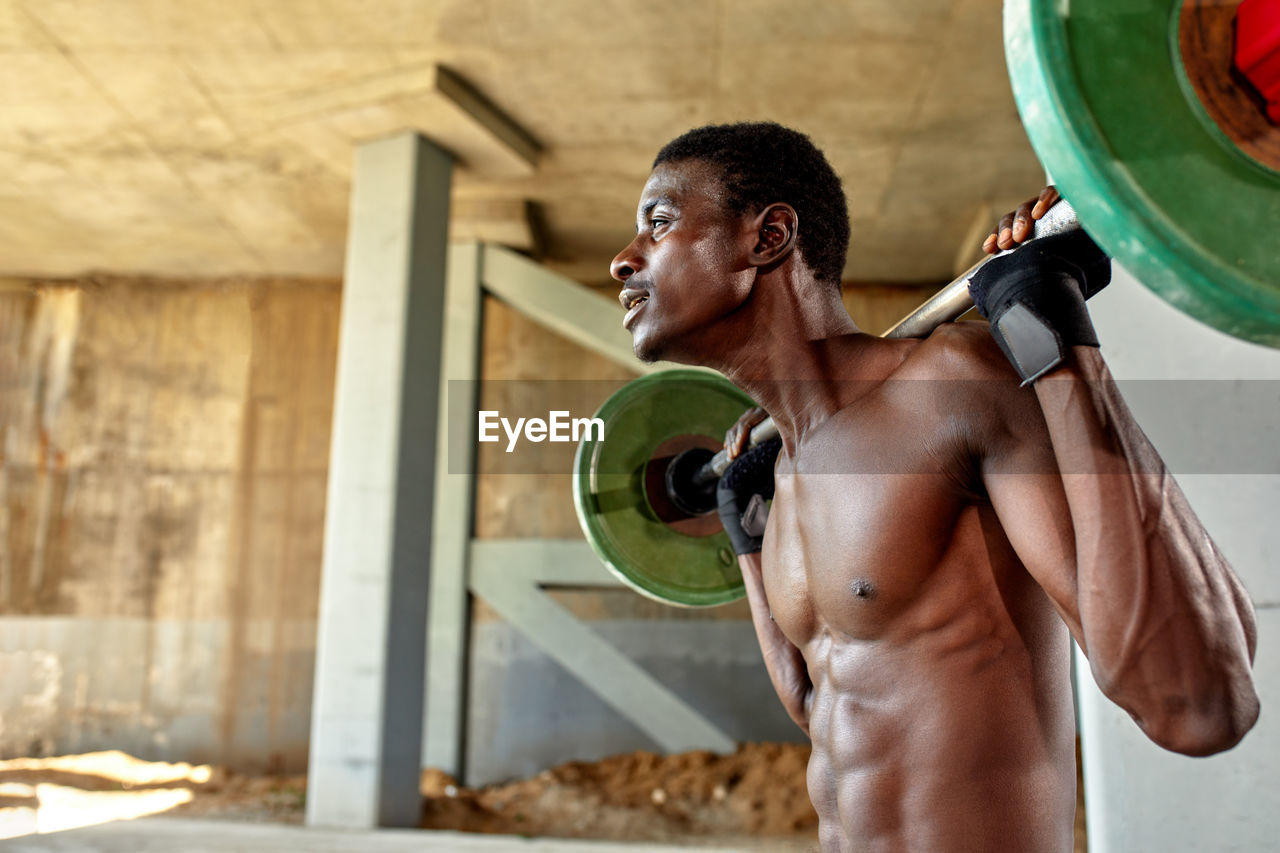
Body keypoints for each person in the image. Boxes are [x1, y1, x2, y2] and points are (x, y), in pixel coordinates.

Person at [609, 122, 1259, 852]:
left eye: (658, 224)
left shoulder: (952, 386)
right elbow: (827, 706)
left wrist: (1057, 340)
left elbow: (1198, 704)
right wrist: (749, 542)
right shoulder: (784, 472)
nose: (621, 261)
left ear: (769, 238)